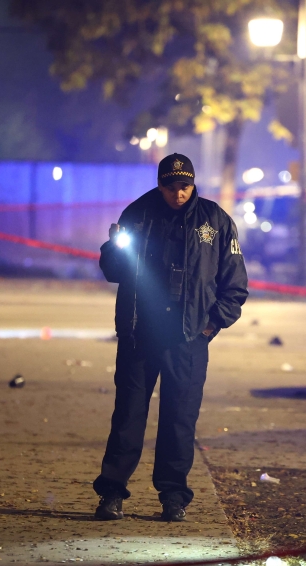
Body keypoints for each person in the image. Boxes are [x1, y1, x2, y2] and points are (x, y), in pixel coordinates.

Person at [93, 153, 248, 522]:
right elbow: (113, 271)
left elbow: (235, 283)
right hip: (139, 333)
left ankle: (173, 496)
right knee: (128, 417)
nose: (178, 193)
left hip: (188, 337)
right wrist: (113, 247)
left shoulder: (215, 220)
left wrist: (212, 325)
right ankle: (111, 493)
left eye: (185, 186)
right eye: (170, 186)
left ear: (193, 184)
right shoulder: (139, 214)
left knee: (179, 419)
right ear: (160, 184)